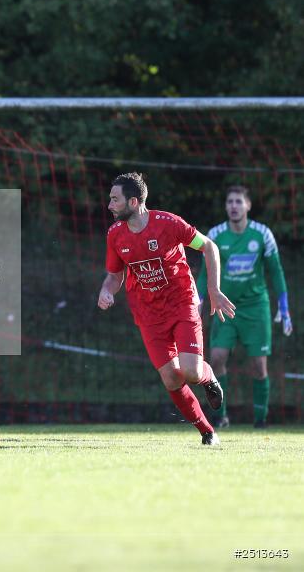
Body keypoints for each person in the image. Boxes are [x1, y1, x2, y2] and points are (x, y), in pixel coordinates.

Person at [98, 172, 233, 445]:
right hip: (148, 315)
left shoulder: (168, 224)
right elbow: (115, 276)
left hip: (181, 303)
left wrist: (214, 290)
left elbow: (208, 246)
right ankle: (208, 432)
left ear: (134, 202)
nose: (109, 205)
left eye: (115, 199)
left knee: (192, 372)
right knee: (171, 378)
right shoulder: (115, 235)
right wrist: (105, 291)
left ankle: (209, 378)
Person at [196, 185, 293, 429]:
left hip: (255, 308)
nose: (234, 206)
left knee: (258, 366)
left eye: (239, 201)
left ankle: (260, 420)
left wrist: (284, 306)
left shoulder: (262, 234)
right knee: (217, 359)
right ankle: (221, 416)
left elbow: (276, 271)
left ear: (248, 205)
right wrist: (198, 300)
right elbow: (203, 272)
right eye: (230, 202)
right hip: (224, 306)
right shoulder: (216, 235)